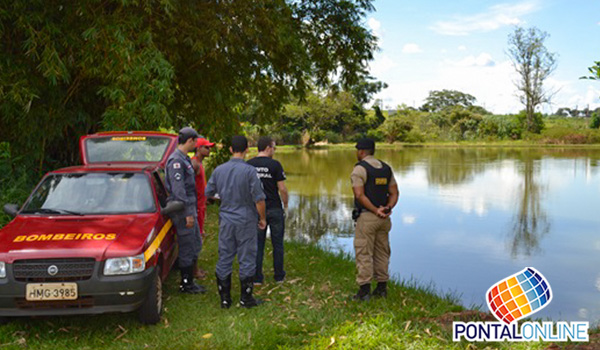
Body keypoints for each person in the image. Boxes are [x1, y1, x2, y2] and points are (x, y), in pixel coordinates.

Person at [205, 135, 267, 308]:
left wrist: (224, 196)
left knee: (225, 255)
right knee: (246, 257)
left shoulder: (219, 170)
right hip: (246, 219)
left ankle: (225, 299)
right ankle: (245, 298)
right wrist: (262, 218)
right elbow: (259, 199)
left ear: (231, 150)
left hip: (226, 219)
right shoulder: (249, 171)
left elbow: (208, 192)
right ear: (247, 149)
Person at [350, 138, 399, 301]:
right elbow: (394, 193)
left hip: (367, 217)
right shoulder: (386, 169)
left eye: (357, 150)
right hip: (384, 219)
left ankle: (364, 292)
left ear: (362, 152)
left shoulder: (359, 169)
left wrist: (374, 210)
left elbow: (359, 194)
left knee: (364, 252)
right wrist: (387, 208)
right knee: (382, 252)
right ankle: (381, 289)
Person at [165, 127, 206, 294]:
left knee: (195, 242)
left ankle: (189, 278)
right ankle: (186, 284)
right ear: (190, 141)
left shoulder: (185, 159)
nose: (196, 144)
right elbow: (179, 191)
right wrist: (187, 214)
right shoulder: (176, 161)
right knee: (187, 245)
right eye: (195, 141)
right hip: (183, 211)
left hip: (190, 208)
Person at [247, 137, 288, 285]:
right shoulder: (275, 165)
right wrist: (286, 204)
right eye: (274, 148)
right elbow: (282, 188)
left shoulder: (249, 165)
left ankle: (257, 277)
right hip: (275, 208)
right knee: (278, 244)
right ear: (268, 148)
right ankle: (279, 276)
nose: (274, 151)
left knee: (257, 244)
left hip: (256, 210)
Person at [191, 136, 215, 280]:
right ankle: (194, 270)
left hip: (201, 205)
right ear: (198, 148)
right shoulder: (194, 164)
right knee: (196, 238)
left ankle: (195, 268)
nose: (209, 150)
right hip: (196, 208)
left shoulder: (199, 164)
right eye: (206, 147)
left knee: (199, 236)